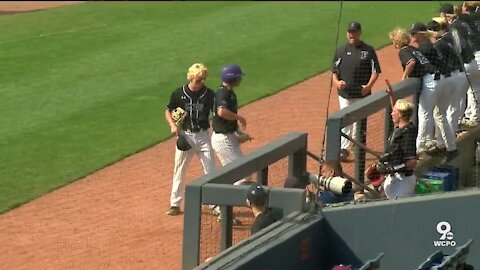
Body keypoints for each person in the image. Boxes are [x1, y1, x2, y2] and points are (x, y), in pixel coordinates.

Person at [165, 63, 216, 216]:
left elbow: (215, 113)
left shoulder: (209, 94)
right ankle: (175, 204)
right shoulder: (178, 93)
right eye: (199, 79)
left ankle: (213, 204)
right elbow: (168, 111)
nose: (202, 82)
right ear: (191, 78)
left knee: (211, 170)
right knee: (179, 169)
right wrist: (173, 125)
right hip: (186, 136)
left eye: (203, 79)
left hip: (202, 136)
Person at [388, 26, 442, 155]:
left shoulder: (403, 51)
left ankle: (421, 145)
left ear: (397, 41)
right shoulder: (413, 48)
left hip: (430, 80)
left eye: (393, 41)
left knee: (424, 113)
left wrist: (404, 76)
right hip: (436, 78)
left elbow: (411, 62)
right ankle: (429, 140)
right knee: (433, 112)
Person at [332, 21, 382, 161]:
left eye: (354, 32)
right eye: (349, 32)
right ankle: (343, 149)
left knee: (360, 122)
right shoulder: (341, 50)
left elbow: (376, 71)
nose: (351, 34)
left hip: (361, 94)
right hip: (345, 94)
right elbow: (334, 71)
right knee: (346, 120)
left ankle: (357, 146)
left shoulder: (368, 50)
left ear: (359, 33)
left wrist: (369, 86)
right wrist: (337, 82)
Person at [211, 64, 253, 184]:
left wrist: (239, 133)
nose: (240, 79)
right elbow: (221, 111)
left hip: (229, 137)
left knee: (242, 174)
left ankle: (223, 200)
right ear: (232, 78)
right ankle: (222, 200)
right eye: (239, 77)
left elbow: (228, 120)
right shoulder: (222, 93)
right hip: (223, 140)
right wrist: (240, 117)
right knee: (241, 176)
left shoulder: (230, 93)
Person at [377, 99, 418, 198]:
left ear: (400, 114)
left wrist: (392, 169)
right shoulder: (398, 129)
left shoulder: (408, 133)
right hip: (394, 179)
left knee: (400, 212)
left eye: (394, 111)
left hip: (403, 181)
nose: (391, 114)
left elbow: (412, 162)